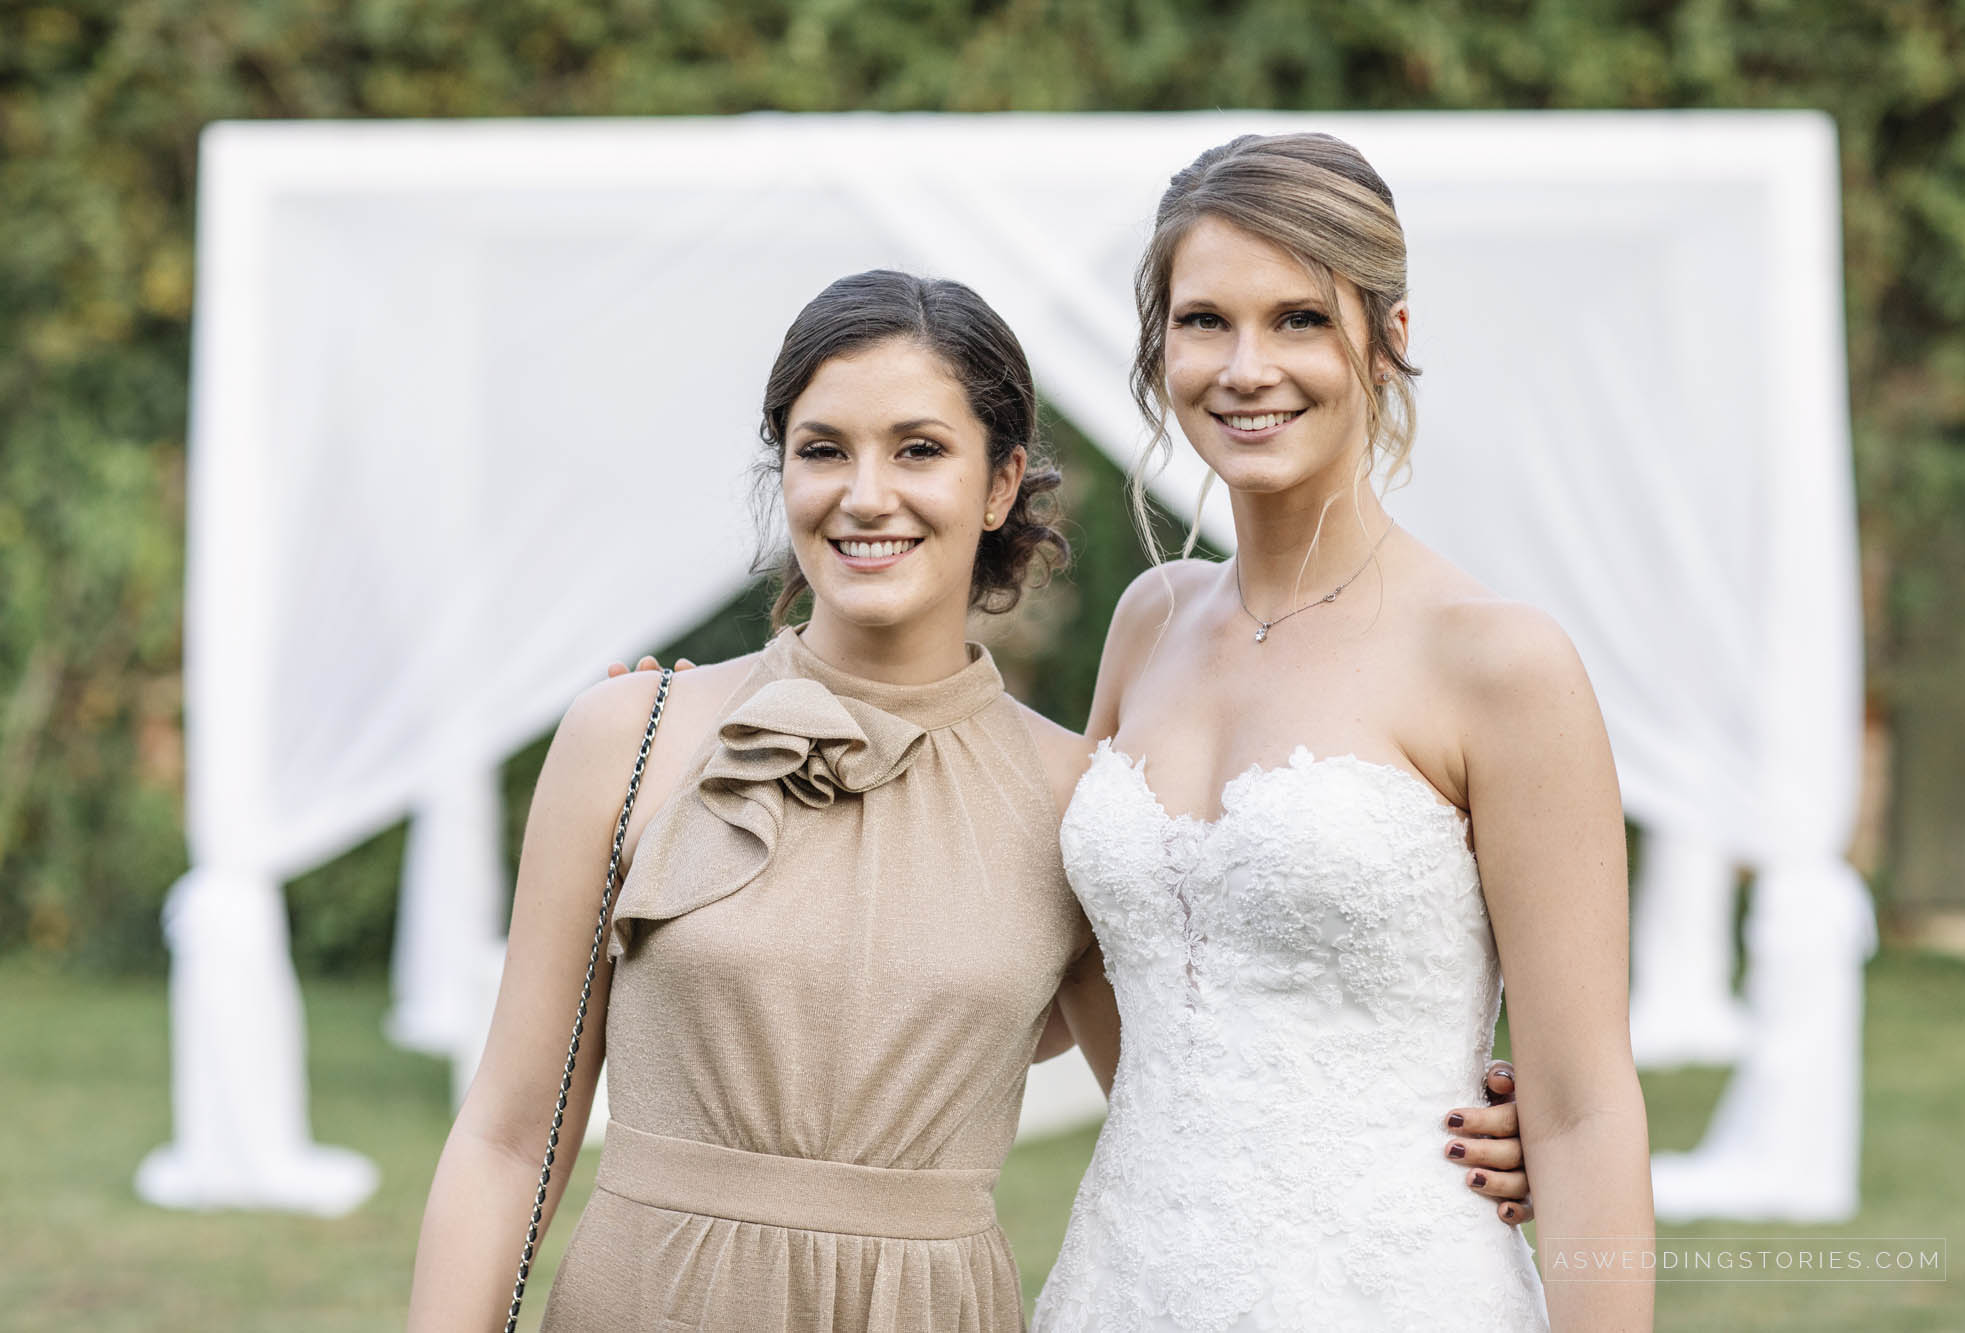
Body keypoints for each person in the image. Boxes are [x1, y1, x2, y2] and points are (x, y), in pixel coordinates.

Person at [412, 268, 1533, 1333]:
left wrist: (1469, 1124)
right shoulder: (630, 733)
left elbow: (1195, 1097)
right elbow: (510, 1133)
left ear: (1000, 483)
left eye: (918, 450)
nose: (865, 494)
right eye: (821, 449)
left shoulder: (1075, 801)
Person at [1030, 134, 1654, 1332]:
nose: (1245, 366)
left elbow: (1579, 1108)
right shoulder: (1146, 621)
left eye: (1299, 319)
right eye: (1203, 320)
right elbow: (1076, 972)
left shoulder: (1498, 662)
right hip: (1127, 1282)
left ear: (1389, 334)